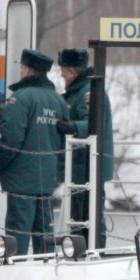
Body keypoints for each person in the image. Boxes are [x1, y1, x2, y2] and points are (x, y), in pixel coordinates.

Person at [0, 49, 68, 254]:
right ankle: (47, 271)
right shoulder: (57, 100)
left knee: (18, 233)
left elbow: (12, 137)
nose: (21, 71)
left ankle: (15, 272)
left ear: (29, 70)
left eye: (22, 67)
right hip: (47, 178)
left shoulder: (21, 97)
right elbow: (63, 140)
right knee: (44, 232)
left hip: (21, 179)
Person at [56, 48, 114, 248]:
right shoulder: (79, 91)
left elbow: (94, 120)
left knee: (90, 214)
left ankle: (94, 250)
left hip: (88, 165)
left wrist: (73, 127)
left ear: (71, 71)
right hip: (81, 165)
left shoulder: (88, 92)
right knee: (79, 215)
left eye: (63, 71)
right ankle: (82, 249)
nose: (62, 76)